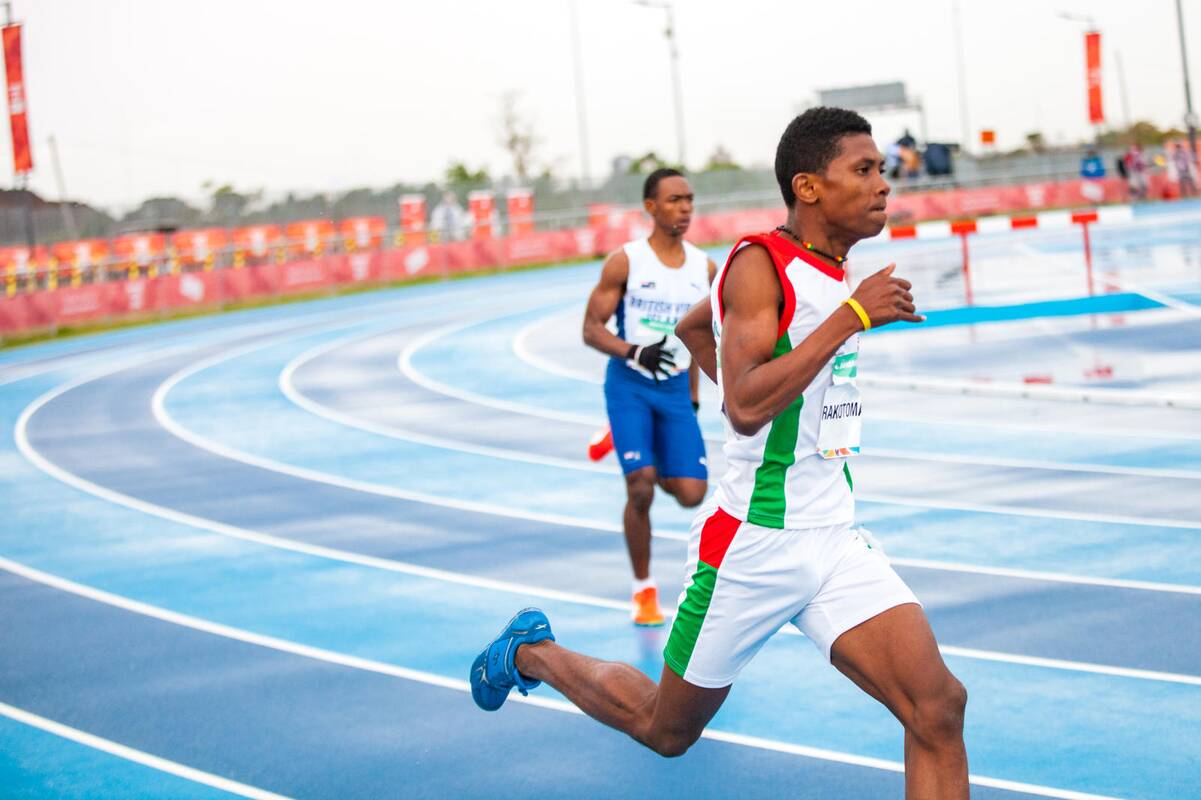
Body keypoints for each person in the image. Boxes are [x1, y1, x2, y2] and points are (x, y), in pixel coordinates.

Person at [470, 108, 969, 798]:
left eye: (882, 169)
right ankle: (531, 652)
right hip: (752, 544)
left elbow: (693, 325)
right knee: (664, 729)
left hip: (831, 537)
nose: (882, 183)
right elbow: (745, 407)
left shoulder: (832, 269)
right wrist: (852, 316)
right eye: (863, 169)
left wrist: (832, 317)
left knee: (937, 708)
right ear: (808, 186)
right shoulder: (760, 263)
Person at [578, 167, 717, 626]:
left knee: (692, 493)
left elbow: (700, 338)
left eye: (690, 199)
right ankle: (644, 591)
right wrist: (634, 351)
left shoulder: (705, 269)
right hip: (630, 384)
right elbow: (591, 329)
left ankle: (630, 441)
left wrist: (693, 399)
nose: (685, 207)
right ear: (651, 207)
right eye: (675, 200)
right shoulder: (626, 262)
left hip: (674, 389)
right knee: (640, 486)